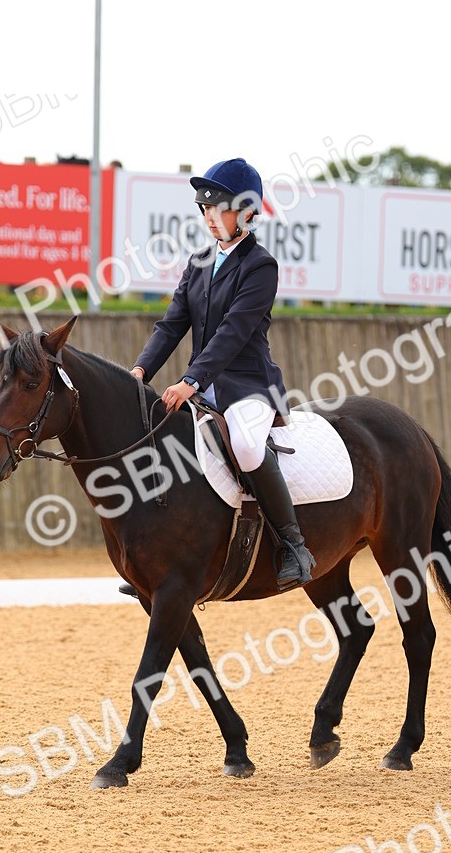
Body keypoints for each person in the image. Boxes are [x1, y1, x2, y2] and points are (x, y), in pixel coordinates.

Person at [130, 158, 315, 591]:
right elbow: (172, 324)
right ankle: (159, 556)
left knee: (248, 448)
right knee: (160, 439)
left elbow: (233, 333)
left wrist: (191, 380)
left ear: (248, 211)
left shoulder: (260, 266)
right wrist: (140, 370)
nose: (210, 217)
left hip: (248, 387)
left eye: (220, 208)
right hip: (203, 386)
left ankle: (293, 545)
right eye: (205, 209)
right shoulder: (197, 262)